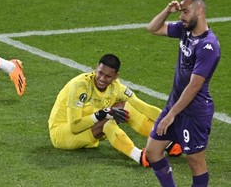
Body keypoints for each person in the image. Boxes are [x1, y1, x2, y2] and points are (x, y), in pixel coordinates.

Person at [145, 0, 221, 187]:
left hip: (194, 112)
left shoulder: (209, 46)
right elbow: (152, 28)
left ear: (200, 11)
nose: (182, 16)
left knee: (195, 162)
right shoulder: (185, 30)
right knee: (152, 151)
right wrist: (167, 10)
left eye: (185, 11)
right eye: (180, 12)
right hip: (175, 106)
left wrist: (171, 115)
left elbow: (194, 86)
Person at [48, 54, 182, 165]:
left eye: (108, 76)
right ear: (96, 68)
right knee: (107, 120)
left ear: (115, 77)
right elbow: (74, 127)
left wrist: (170, 120)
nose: (102, 78)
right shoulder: (80, 87)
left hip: (86, 125)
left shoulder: (116, 87)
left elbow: (142, 106)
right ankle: (139, 156)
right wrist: (102, 114)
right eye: (100, 73)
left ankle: (167, 141)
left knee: (125, 107)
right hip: (62, 133)